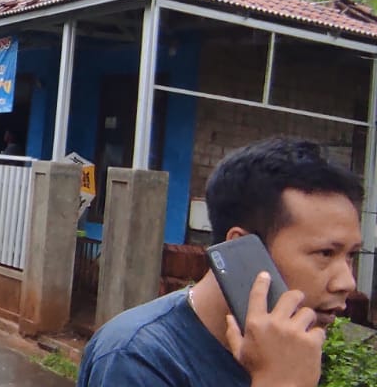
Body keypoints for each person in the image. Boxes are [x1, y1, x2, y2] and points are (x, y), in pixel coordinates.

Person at [77, 137, 362, 387]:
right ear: (242, 248)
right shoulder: (138, 358)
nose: (347, 282)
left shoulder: (291, 344)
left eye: (351, 255)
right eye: (325, 253)